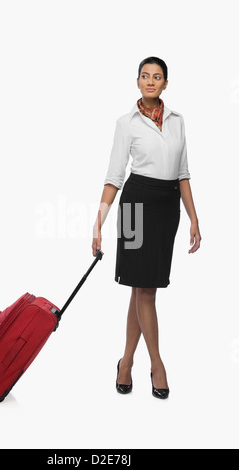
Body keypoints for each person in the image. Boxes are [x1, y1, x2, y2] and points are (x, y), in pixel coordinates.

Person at [92, 57, 202, 399]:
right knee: (145, 290)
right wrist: (98, 223)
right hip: (136, 205)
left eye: (157, 77)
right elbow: (114, 177)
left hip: (167, 207)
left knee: (141, 288)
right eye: (145, 76)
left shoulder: (177, 121)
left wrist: (194, 217)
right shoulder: (126, 123)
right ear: (137, 82)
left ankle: (125, 362)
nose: (150, 81)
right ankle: (157, 364)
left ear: (165, 84)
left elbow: (182, 173)